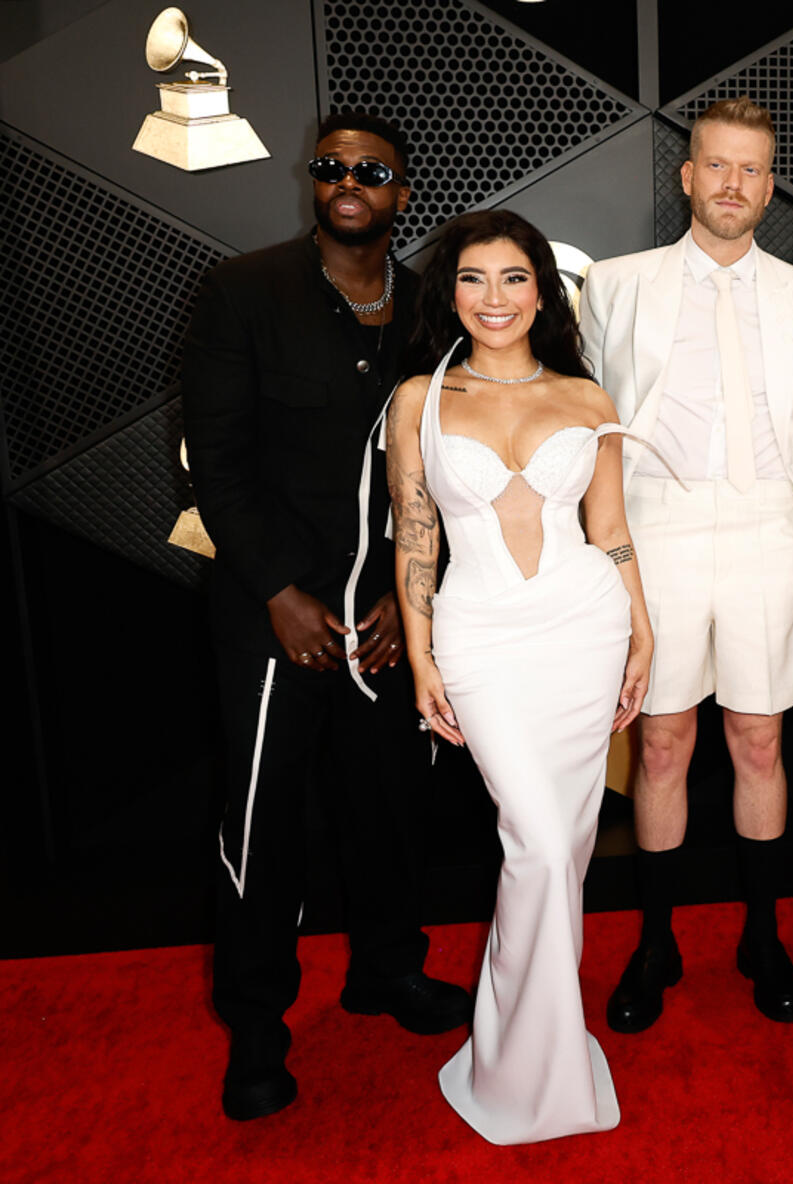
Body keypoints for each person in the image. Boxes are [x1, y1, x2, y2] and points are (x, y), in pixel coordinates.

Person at [181, 112, 472, 1122]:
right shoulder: (243, 291)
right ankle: (257, 1025)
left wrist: (409, 587)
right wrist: (277, 591)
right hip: (275, 613)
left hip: (392, 611)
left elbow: (445, 460)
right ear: (316, 183)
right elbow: (215, 458)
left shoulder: (433, 308)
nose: (348, 181)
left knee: (389, 805)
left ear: (402, 194)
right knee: (264, 826)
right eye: (332, 166)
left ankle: (387, 969)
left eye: (373, 171)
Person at [387, 208, 655, 1144]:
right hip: (481, 640)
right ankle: (512, 1060)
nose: (493, 298)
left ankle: (536, 1047)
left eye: (512, 278)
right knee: (538, 843)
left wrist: (643, 636)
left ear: (543, 290)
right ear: (447, 292)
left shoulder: (588, 397)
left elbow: (612, 531)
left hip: (584, 632)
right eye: (472, 278)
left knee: (564, 852)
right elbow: (415, 534)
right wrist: (421, 660)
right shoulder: (421, 397)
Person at [580, 96, 793, 1031]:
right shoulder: (613, 285)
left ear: (770, 187)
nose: (733, 184)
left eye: (751, 170)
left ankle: (761, 935)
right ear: (687, 175)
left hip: (769, 539)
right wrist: (608, 554)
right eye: (716, 166)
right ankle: (657, 942)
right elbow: (591, 432)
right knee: (659, 744)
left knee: (760, 741)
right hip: (655, 538)